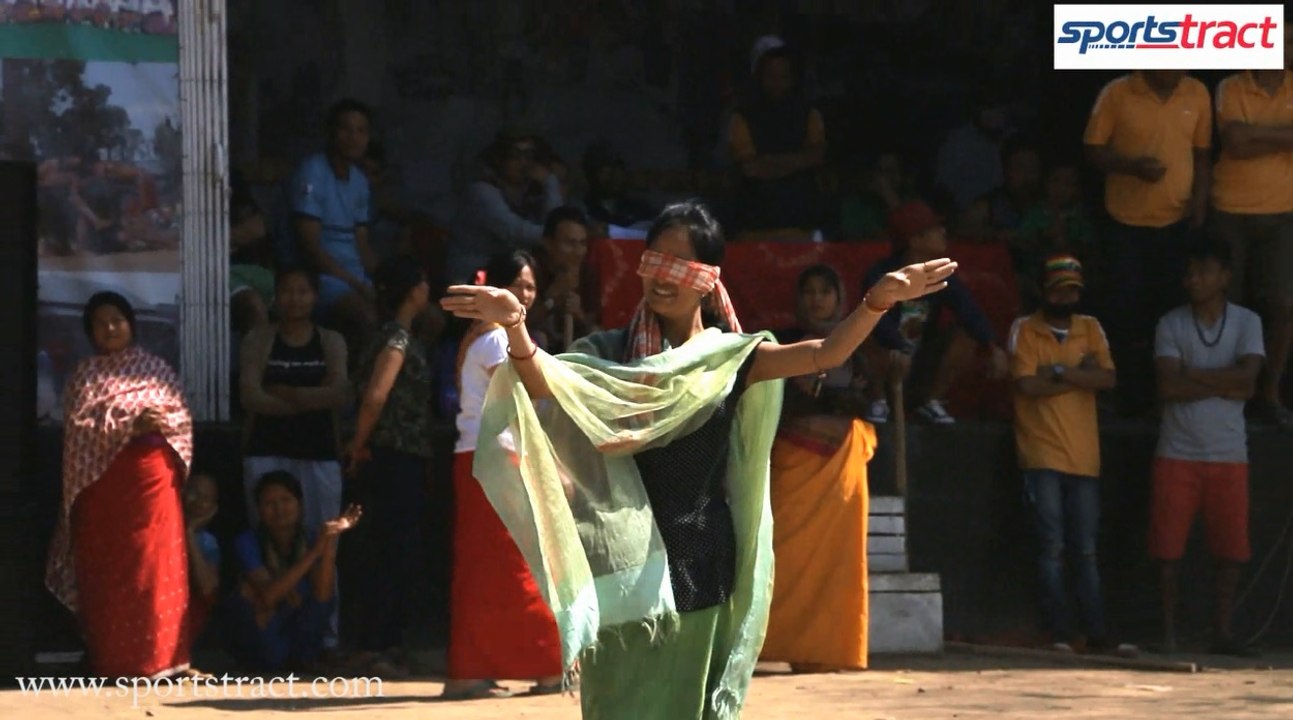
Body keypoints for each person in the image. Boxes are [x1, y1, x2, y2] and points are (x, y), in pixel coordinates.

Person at [440, 200, 954, 719]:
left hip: (701, 563)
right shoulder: (611, 351)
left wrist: (879, 300)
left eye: (679, 266)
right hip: (624, 571)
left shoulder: (733, 358)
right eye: (654, 261)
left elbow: (825, 354)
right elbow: (546, 385)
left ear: (707, 279)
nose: (663, 278)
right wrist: (516, 328)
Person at [46, 291, 195, 678]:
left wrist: (153, 423)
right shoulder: (84, 376)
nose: (111, 328)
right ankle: (116, 663)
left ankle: (165, 660)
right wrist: (129, 424)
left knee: (156, 567)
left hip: (153, 484)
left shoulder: (157, 370)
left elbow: (179, 420)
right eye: (101, 322)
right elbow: (80, 431)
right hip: (103, 488)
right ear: (91, 333)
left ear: (131, 324)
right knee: (110, 571)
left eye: (117, 320)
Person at [444, 250, 562, 699]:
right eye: (517, 285)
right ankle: (548, 662)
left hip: (480, 456)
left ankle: (470, 667)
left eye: (530, 286)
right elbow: (533, 393)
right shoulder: (496, 340)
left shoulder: (485, 336)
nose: (525, 294)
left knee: (487, 566)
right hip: (496, 458)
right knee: (517, 563)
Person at [1151, 240, 1264, 656]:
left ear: (1225, 278)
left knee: (1231, 550)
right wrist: (1224, 380)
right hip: (1177, 450)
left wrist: (1193, 377)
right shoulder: (1171, 323)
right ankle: (1169, 633)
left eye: (1203, 271)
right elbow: (1167, 387)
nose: (1192, 279)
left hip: (1229, 453)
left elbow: (1249, 384)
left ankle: (1223, 630)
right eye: (1189, 272)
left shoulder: (1247, 322)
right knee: (1167, 550)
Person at [760, 265, 875, 673]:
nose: (816, 299)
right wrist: (796, 388)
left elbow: (865, 402)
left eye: (825, 291)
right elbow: (765, 402)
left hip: (841, 464)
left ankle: (825, 651)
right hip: (793, 462)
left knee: (837, 564)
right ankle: (773, 645)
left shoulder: (856, 346)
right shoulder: (783, 345)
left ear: (838, 298)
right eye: (808, 291)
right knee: (784, 557)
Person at [1008, 257, 1122, 654]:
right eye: (1058, 288)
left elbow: (1107, 378)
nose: (1065, 295)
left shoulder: (1091, 327)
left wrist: (1056, 373)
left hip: (1084, 456)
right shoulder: (1024, 328)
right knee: (1051, 548)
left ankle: (1095, 632)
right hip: (1041, 454)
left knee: (1086, 550)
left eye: (1072, 289)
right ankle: (1057, 632)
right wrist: (1078, 375)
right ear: (1043, 290)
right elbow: (1025, 386)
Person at [1084, 70, 1212, 416]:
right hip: (1125, 223)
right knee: (1124, 310)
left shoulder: (1197, 92)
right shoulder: (1117, 92)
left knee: (1170, 310)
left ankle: (1163, 397)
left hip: (1176, 223)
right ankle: (1120, 394)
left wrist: (1200, 203)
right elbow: (1094, 150)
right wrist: (1131, 166)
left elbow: (1201, 154)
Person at [347, 256, 433, 665]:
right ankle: (377, 643)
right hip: (392, 457)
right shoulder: (397, 339)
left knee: (388, 550)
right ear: (414, 290)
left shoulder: (390, 334)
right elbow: (376, 398)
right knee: (389, 551)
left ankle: (383, 640)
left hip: (394, 456)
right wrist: (358, 444)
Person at [860, 201, 1009, 424]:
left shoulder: (940, 274)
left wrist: (992, 345)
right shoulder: (881, 275)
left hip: (919, 365)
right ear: (915, 241)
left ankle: (930, 401)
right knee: (863, 330)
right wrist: (898, 347)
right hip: (888, 362)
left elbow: (968, 309)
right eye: (933, 229)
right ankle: (878, 401)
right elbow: (877, 322)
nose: (943, 232)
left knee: (966, 335)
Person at [1211, 36, 1293, 428]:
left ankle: (1269, 394)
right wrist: (1284, 136)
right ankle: (1227, 392)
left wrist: (1258, 133)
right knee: (1228, 306)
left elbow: (1248, 138)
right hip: (1231, 209)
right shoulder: (1232, 85)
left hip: (1284, 211)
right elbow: (1236, 143)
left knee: (1282, 307)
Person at [239, 267, 349, 530]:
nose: (295, 299)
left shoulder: (331, 341)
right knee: (267, 533)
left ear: (315, 297)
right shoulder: (258, 338)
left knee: (324, 534)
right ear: (276, 296)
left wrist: (288, 393)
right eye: (287, 291)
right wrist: (311, 399)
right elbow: (251, 396)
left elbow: (340, 393)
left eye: (303, 292)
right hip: (266, 448)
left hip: (319, 451)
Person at [229, 471, 361, 672]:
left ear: (299, 504)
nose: (279, 509)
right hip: (266, 629)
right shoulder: (248, 542)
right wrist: (315, 551)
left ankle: (303, 657)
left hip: (298, 625)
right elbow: (268, 596)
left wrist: (328, 544)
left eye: (286, 500)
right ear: (259, 510)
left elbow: (323, 596)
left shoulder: (309, 537)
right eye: (270, 504)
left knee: (319, 599)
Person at [287, 99, 378, 350]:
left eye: (361, 131)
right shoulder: (312, 172)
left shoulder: (359, 180)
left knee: (421, 316)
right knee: (365, 318)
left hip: (357, 278)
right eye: (346, 129)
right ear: (331, 132)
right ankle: (359, 387)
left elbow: (362, 243)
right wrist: (356, 284)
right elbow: (311, 249)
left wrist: (382, 281)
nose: (354, 138)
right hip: (323, 278)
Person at [729, 40, 827, 236]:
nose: (777, 83)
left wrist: (770, 162)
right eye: (771, 76)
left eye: (784, 77)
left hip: (801, 223)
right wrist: (798, 162)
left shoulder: (809, 114)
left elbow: (817, 156)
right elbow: (750, 168)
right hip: (756, 223)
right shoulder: (742, 117)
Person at [447, 132, 564, 284]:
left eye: (529, 156)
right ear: (500, 159)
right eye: (515, 155)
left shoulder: (529, 191)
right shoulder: (482, 192)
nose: (524, 163)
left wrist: (548, 185)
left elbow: (555, 219)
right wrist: (561, 236)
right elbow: (516, 232)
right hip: (470, 278)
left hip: (506, 275)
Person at [528, 206, 600, 353]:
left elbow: (594, 323)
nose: (578, 252)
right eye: (570, 244)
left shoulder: (587, 272)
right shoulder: (530, 269)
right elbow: (519, 321)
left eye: (582, 243)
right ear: (548, 243)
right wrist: (552, 298)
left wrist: (578, 313)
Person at [183, 472, 222, 644]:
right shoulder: (162, 529)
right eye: (193, 493)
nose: (198, 502)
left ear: (213, 508)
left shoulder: (208, 542)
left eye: (206, 498)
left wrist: (190, 533)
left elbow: (207, 587)